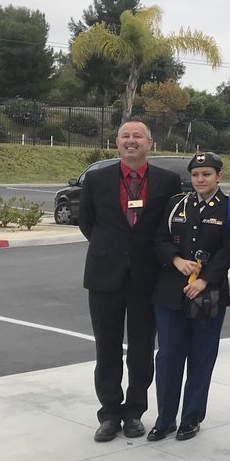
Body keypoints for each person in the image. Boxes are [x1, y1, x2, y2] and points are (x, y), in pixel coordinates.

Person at [79, 120, 182, 442]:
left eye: (137, 136)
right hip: (104, 277)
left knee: (141, 349)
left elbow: (170, 226)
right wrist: (113, 249)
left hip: (147, 278)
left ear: (150, 143)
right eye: (125, 136)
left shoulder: (168, 181)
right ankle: (109, 414)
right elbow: (86, 222)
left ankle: (135, 411)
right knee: (106, 348)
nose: (131, 141)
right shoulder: (96, 179)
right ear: (117, 143)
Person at [149, 152, 230, 442]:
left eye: (207, 174)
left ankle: (191, 419)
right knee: (168, 356)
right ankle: (165, 419)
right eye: (196, 174)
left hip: (208, 294)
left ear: (219, 176)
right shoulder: (177, 204)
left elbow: (229, 250)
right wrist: (176, 260)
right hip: (170, 292)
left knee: (201, 357)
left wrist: (204, 279)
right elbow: (159, 239)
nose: (200, 179)